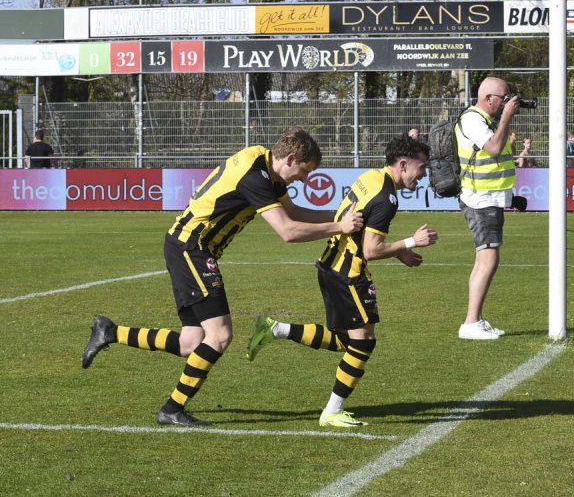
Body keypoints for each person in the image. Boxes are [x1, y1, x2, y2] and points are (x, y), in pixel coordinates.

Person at [80, 127, 364, 426]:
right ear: (290, 158)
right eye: (304, 171)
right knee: (220, 335)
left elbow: (292, 212)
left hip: (188, 247)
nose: (304, 179)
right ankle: (172, 410)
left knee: (192, 342)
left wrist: (339, 215)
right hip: (191, 248)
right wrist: (339, 227)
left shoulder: (264, 164)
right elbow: (287, 230)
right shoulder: (255, 177)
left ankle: (110, 332)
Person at [245, 133, 438, 427]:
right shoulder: (387, 198)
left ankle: (276, 329)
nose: (423, 175)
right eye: (421, 167)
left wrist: (398, 252)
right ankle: (332, 411)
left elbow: (362, 229)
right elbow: (371, 250)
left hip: (331, 265)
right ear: (403, 164)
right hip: (349, 275)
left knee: (346, 340)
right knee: (363, 343)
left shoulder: (372, 177)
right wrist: (412, 241)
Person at [453, 76, 520, 340]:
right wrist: (506, 118)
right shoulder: (472, 119)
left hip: (489, 197)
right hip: (480, 198)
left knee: (486, 257)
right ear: (488, 98)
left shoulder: (486, 120)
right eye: (504, 98)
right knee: (488, 257)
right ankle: (471, 322)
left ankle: (475, 320)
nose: (507, 102)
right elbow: (493, 148)